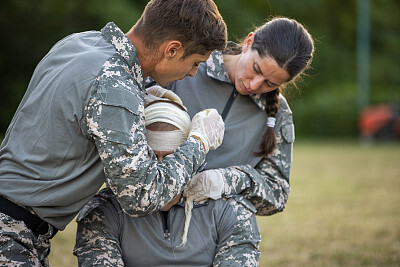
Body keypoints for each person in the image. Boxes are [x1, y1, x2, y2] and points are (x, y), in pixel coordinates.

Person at [0, 0, 227, 265]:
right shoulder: (116, 84)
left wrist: (141, 92)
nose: (192, 73)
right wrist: (198, 141)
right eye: (196, 62)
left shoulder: (80, 42)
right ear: (173, 49)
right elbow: (141, 195)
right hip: (10, 233)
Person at [147, 16, 315, 216]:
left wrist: (227, 181)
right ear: (248, 42)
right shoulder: (191, 64)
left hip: (212, 228)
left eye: (269, 83)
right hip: (146, 212)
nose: (254, 85)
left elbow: (277, 195)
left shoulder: (278, 115)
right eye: (256, 69)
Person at [73, 88, 261, 266]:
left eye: (173, 159)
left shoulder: (229, 210)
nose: (162, 170)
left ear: (190, 157)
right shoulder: (106, 210)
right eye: (152, 157)